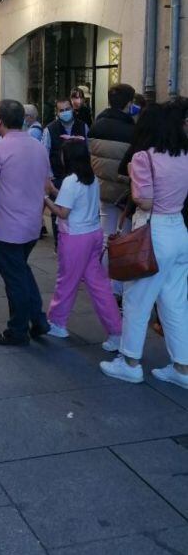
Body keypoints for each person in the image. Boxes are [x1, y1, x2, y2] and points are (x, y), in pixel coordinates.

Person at [100, 101, 188, 388]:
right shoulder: (184, 155)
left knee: (137, 300)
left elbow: (145, 200)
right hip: (179, 231)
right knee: (175, 302)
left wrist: (136, 183)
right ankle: (182, 367)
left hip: (153, 231)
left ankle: (129, 362)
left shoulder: (142, 158)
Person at [0, 99, 53, 346]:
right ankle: (38, 321)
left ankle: (17, 330)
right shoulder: (38, 147)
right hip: (32, 226)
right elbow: (47, 185)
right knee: (22, 272)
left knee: (15, 280)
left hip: (7, 230)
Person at [42, 140, 122, 348]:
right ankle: (116, 332)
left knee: (66, 282)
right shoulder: (91, 178)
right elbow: (73, 203)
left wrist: (45, 198)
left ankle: (57, 322)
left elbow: (63, 212)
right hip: (93, 234)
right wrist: (52, 191)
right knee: (100, 286)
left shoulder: (70, 181)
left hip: (75, 238)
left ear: (67, 158)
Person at [89, 83, 136, 283]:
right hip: (124, 193)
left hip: (102, 188)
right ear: (129, 103)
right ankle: (115, 284)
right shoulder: (132, 130)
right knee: (123, 238)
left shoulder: (97, 124)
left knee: (105, 232)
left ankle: (100, 278)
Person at [42, 97, 88, 247]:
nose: (65, 112)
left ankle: (77, 240)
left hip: (80, 176)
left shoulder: (83, 127)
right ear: (57, 112)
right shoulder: (50, 129)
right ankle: (59, 243)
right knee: (59, 213)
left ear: (72, 109)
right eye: (61, 110)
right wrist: (49, 177)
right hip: (59, 177)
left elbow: (89, 150)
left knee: (78, 209)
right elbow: (45, 154)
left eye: (67, 109)